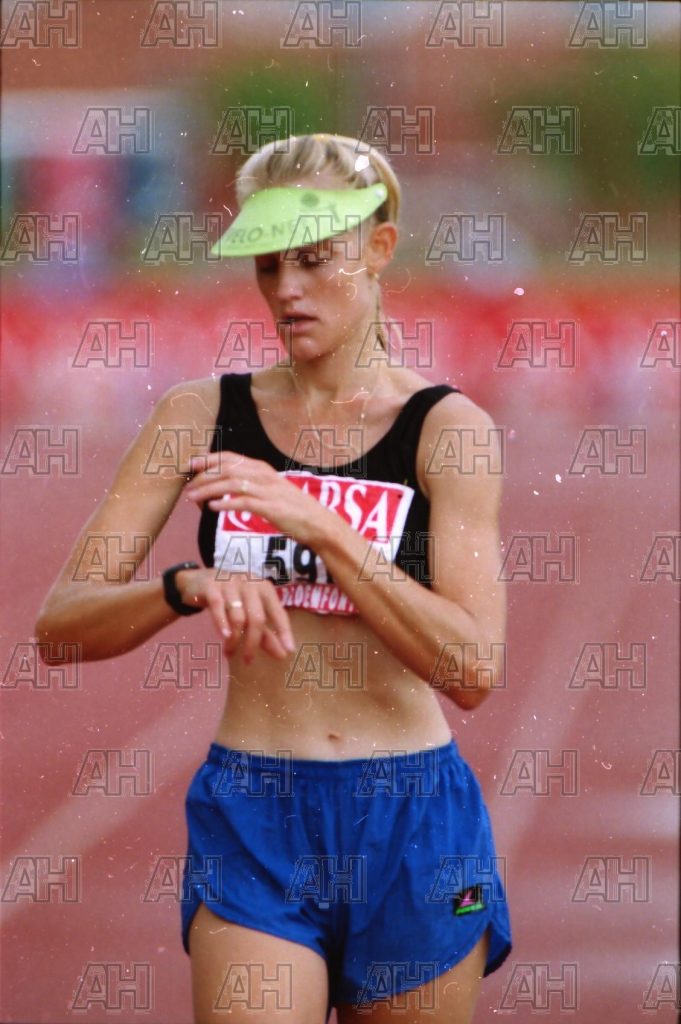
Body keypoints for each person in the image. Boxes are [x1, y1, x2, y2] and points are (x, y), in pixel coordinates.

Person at [35, 133, 512, 1024]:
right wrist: (183, 586)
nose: (286, 290)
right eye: (267, 265)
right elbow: (60, 626)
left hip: (410, 818)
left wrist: (322, 526)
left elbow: (473, 669)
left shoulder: (448, 430)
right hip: (256, 811)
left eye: (313, 260)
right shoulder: (199, 414)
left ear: (378, 248)